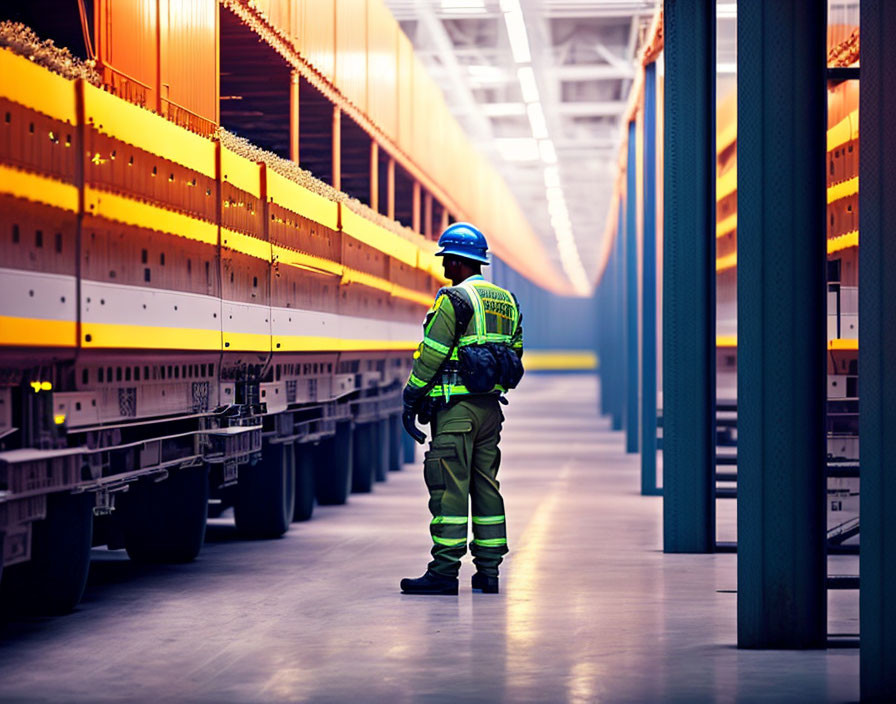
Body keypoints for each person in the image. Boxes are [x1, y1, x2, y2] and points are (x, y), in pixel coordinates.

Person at [400, 222, 523, 595]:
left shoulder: (453, 300)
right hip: (490, 410)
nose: (443, 268)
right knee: (486, 485)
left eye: (446, 260)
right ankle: (489, 571)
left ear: (457, 261)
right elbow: (514, 354)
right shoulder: (507, 301)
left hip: (456, 410)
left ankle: (444, 571)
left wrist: (411, 396)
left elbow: (432, 355)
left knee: (449, 486)